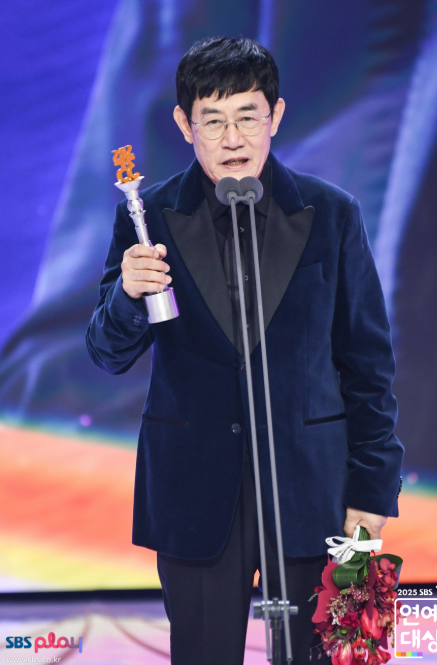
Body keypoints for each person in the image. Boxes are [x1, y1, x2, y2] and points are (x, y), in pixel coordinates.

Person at [86, 36, 404, 664]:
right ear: (185, 125)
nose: (232, 138)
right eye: (213, 120)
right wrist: (127, 294)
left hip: (313, 492)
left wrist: (373, 491)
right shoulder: (150, 217)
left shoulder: (331, 213)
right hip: (196, 493)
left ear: (275, 115)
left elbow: (368, 365)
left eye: (247, 116)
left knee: (324, 655)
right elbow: (107, 352)